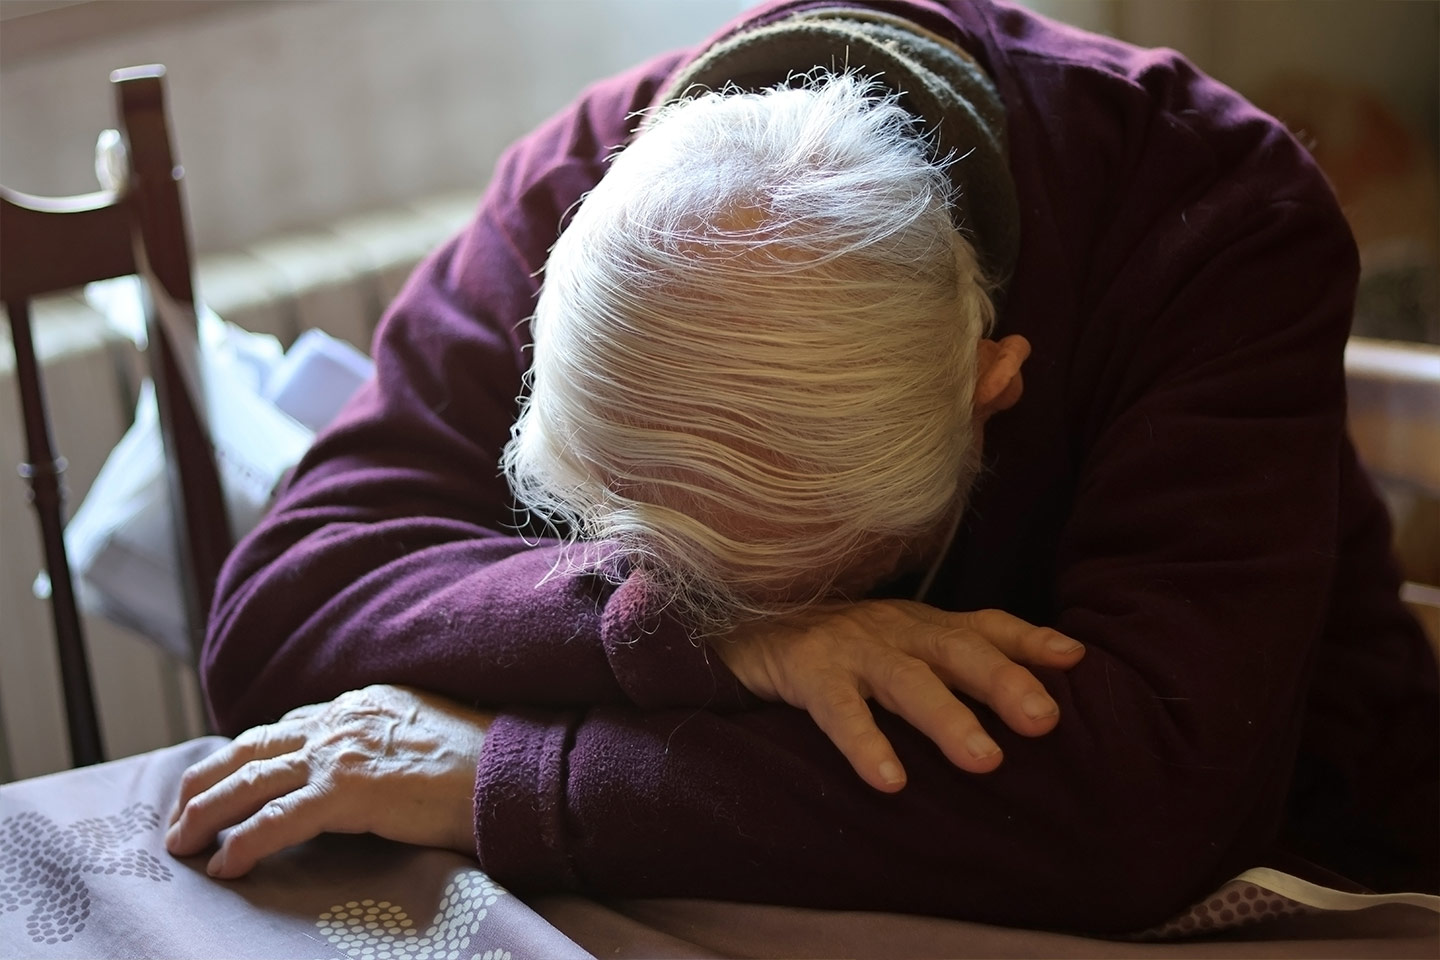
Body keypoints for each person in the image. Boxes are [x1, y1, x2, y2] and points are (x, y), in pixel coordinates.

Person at [164, 0, 1438, 935]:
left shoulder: (1220, 214)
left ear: (992, 389)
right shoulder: (582, 191)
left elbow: (1142, 811)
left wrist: (510, 780)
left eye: (805, 578)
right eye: (657, 559)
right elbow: (279, 619)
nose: (737, 611)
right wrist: (701, 640)